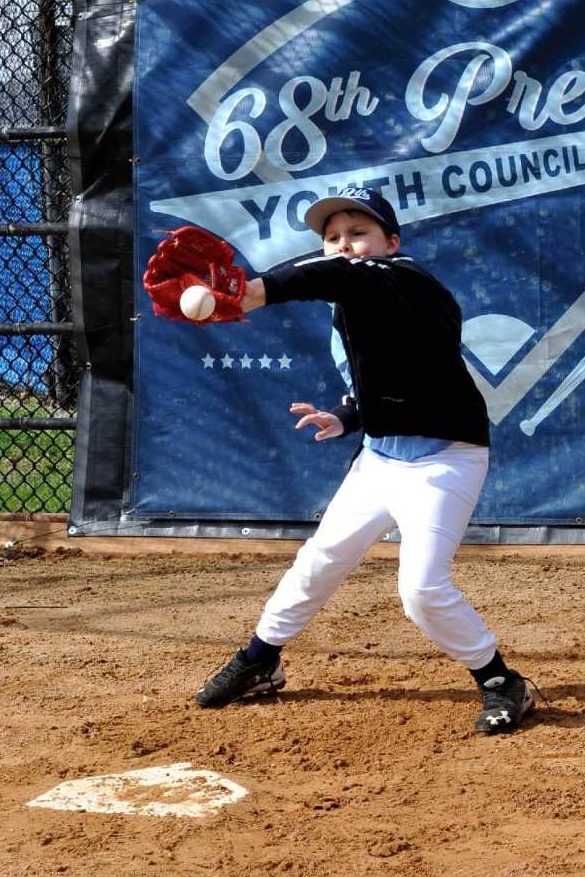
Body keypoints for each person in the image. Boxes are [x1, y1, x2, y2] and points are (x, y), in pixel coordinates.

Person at [161, 187, 534, 735]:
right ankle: (260, 659)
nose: (345, 246)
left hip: (443, 461)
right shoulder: (356, 297)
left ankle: (503, 683)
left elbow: (330, 276)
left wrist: (246, 292)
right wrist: (346, 415)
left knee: (422, 590)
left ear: (392, 241)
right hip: (379, 459)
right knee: (320, 560)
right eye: (332, 237)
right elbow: (394, 376)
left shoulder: (408, 279)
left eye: (358, 233)